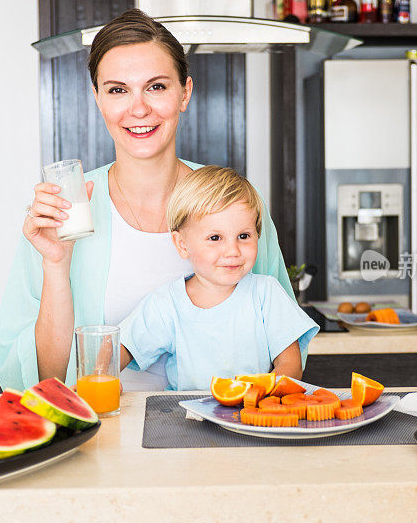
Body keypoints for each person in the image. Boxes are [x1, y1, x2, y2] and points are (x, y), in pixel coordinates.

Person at [0, 9, 297, 391]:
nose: (138, 109)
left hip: (226, 432)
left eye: (156, 86)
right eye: (118, 89)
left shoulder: (233, 201)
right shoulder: (62, 211)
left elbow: (283, 339)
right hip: (101, 434)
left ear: (185, 92)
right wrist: (56, 265)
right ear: (98, 98)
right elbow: (48, 383)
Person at [117, 166, 319, 391]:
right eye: (215, 238)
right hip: (186, 419)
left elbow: (291, 365)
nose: (232, 250)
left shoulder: (266, 293)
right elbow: (122, 348)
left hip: (250, 416)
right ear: (182, 245)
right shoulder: (167, 304)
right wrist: (100, 379)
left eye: (243, 236)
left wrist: (262, 394)